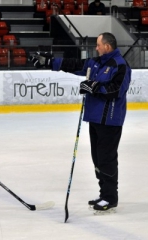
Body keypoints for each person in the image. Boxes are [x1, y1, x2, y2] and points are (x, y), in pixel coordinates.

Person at [31, 32, 131, 212]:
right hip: (95, 118)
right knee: (97, 158)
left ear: (107, 46)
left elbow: (117, 90)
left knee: (106, 159)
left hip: (110, 121)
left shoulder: (120, 65)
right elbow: (75, 65)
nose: (97, 48)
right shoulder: (96, 62)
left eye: (99, 45)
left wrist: (94, 87)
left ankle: (110, 197)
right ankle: (104, 194)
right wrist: (50, 62)